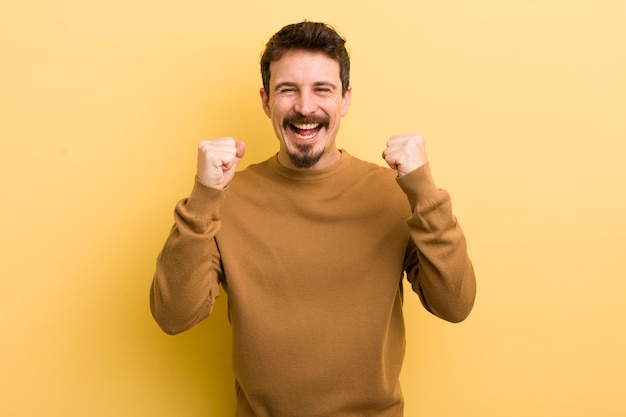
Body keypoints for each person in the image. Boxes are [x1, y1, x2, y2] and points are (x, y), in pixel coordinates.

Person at [150, 21, 476, 417]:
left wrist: (423, 188)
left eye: (323, 89)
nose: (305, 107)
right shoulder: (227, 199)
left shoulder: (393, 193)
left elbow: (455, 304)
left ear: (345, 100)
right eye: (288, 90)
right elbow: (173, 315)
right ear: (267, 101)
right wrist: (204, 196)